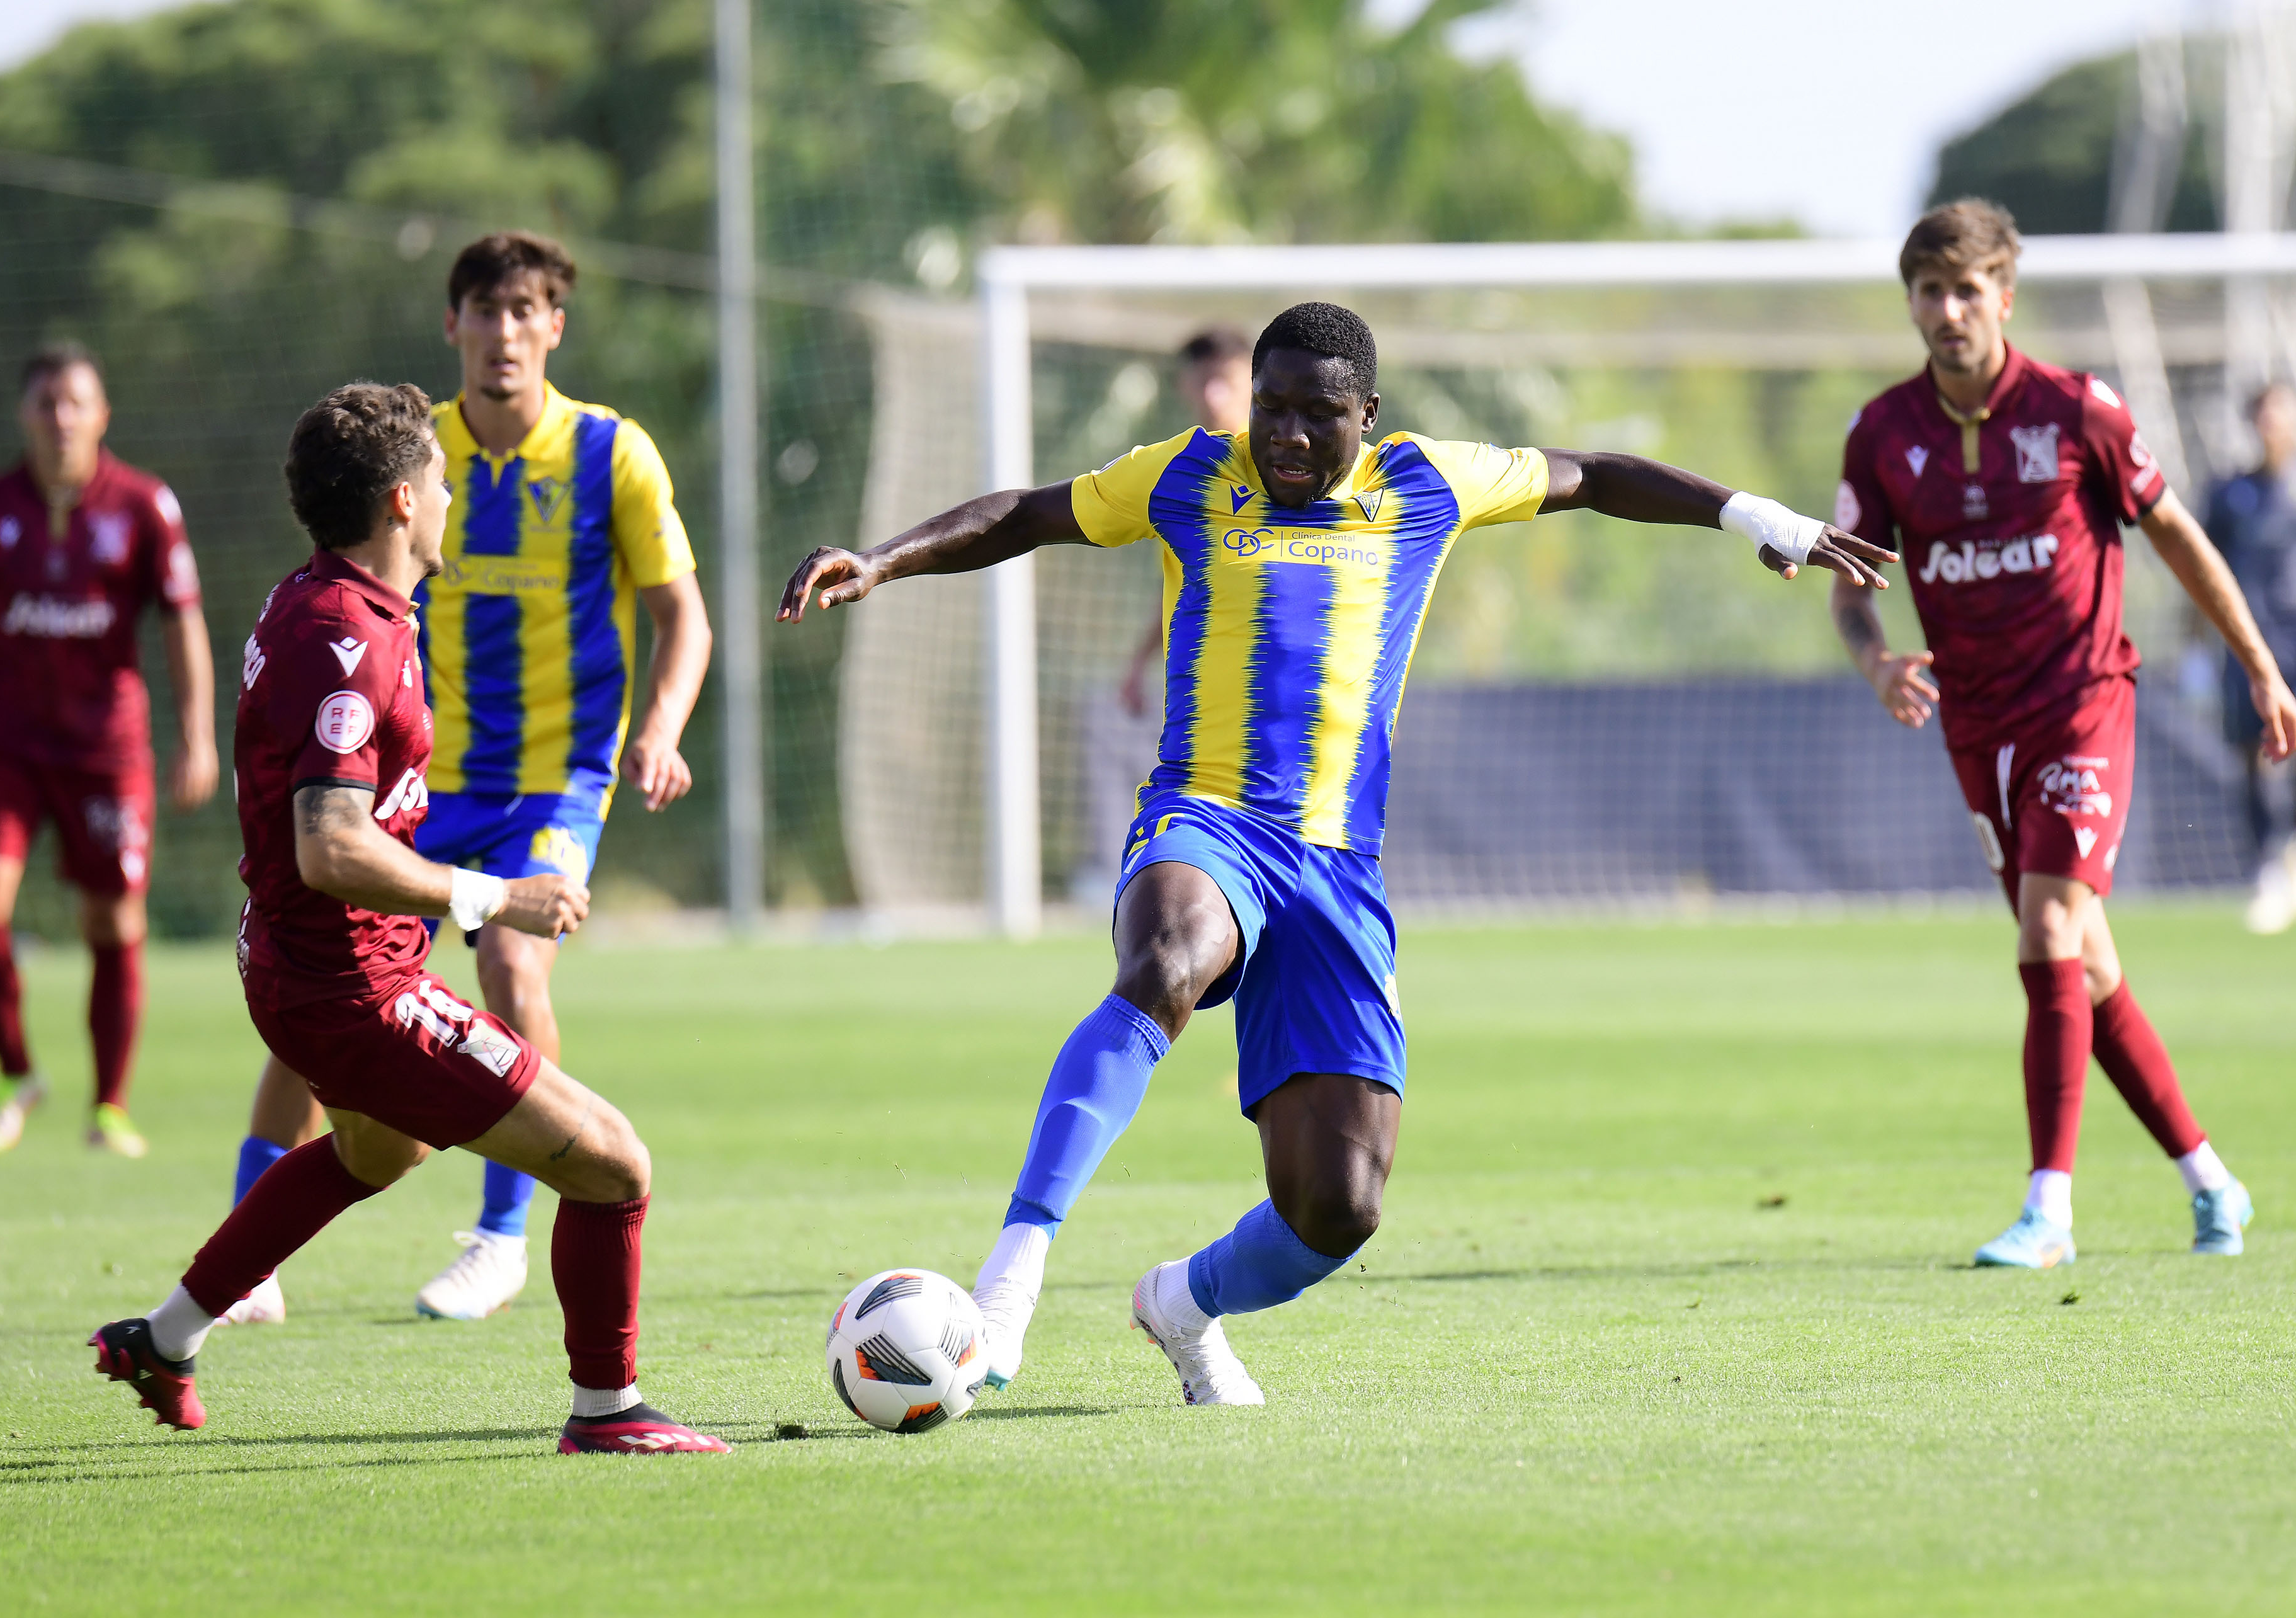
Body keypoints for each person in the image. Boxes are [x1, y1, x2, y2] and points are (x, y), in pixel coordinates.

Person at [778, 302, 1889, 1404]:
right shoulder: (1188, 478)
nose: (1290, 437)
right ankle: (1012, 1281)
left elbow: (1591, 472)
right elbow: (1030, 512)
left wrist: (1750, 513)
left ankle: (1183, 1302)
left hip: (1339, 868)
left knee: (1338, 1206)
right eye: (1272, 409)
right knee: (1167, 958)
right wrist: (884, 560)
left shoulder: (1425, 484)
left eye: (1321, 415)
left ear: (1370, 414)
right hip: (1203, 817)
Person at [88, 380, 727, 1456]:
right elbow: (329, 845)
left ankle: (167, 1336)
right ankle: (607, 1412)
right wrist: (496, 896)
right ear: (400, 501)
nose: (449, 499)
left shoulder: (316, 600)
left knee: (378, 1154)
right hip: (356, 992)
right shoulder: (353, 638)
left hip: (294, 969)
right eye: (438, 481)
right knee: (616, 1166)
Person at [222, 233, 710, 1328]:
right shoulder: (412, 456)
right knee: (331, 992)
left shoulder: (610, 456)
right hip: (417, 781)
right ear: (454, 327)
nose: (503, 333)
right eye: (483, 312)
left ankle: (497, 1239)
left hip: (554, 781)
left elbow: (682, 613)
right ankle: (250, 1243)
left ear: (554, 329)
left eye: (524, 312)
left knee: (513, 961)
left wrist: (663, 729)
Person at [1829, 200, 2295, 1267]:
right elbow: (1852, 584)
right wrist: (1875, 659)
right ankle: (2212, 1180)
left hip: (2085, 706)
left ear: (2006, 292)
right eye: (1929, 292)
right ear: (1911, 302)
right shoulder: (1884, 434)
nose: (1948, 311)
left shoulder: (2080, 411)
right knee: (2084, 968)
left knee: (2045, 937)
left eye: (1967, 289)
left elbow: (2174, 534)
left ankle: (2051, 1210)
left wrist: (2258, 662)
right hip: (1978, 729)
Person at [0, 343, 216, 1158]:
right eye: (44, 403)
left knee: (111, 917)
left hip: (107, 750)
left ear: (103, 415)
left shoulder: (144, 506)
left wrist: (198, 734)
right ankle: (15, 1072)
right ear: (22, 416)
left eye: (75, 402)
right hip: (4, 742)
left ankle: (109, 1106)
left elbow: (183, 625)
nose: (60, 417)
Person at [1116, 328, 1254, 716]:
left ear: (1255, 385)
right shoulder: (1180, 478)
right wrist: (1138, 665)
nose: (1213, 396)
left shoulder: (1291, 467)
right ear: (1184, 386)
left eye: (1225, 382)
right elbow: (1189, 584)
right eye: (1203, 381)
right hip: (1208, 691)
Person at [2200, 382, 2296, 933]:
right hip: (2248, 650)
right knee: (2256, 759)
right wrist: (2195, 652)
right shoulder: (2227, 493)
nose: (2271, 425)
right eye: (2262, 415)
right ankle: (2269, 870)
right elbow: (2200, 568)